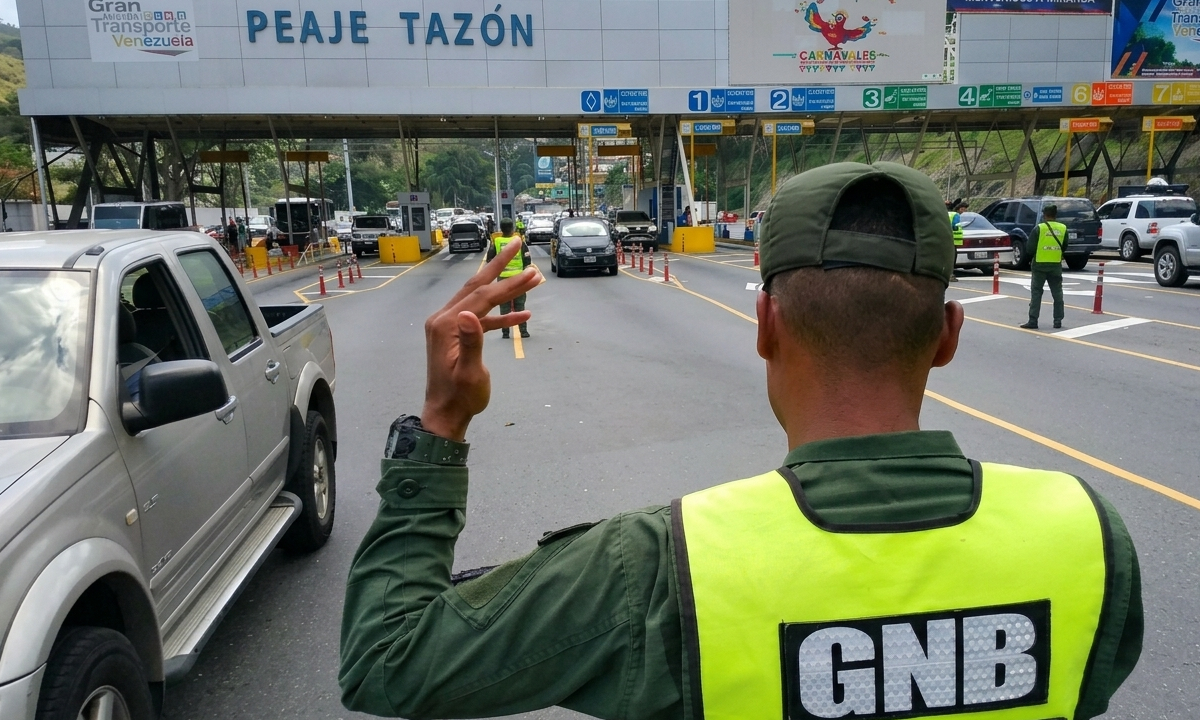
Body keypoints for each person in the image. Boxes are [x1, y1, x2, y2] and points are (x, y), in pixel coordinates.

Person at [340, 162, 1141, 720]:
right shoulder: (1086, 538)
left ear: (765, 325)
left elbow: (387, 662)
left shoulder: (659, 565)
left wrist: (441, 424)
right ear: (948, 336)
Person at [1022, 203, 1067, 330]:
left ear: (1044, 215)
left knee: (1036, 293)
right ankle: (1057, 320)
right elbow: (1065, 246)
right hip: (1055, 265)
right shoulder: (1063, 228)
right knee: (1057, 293)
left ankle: (1033, 320)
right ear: (1055, 215)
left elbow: (1030, 248)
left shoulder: (1039, 228)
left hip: (1039, 265)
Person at [485, 217, 531, 339]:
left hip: (503, 279)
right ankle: (523, 332)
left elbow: (489, 260)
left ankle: (505, 333)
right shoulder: (519, 241)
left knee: (504, 306)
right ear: (512, 228)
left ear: (501, 229)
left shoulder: (496, 242)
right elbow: (527, 259)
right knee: (520, 305)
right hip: (519, 278)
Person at [947, 201, 965, 282]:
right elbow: (955, 225)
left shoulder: (946, 214)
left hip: (947, 238)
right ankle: (950, 275)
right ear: (958, 208)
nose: (964, 211)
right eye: (963, 209)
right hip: (953, 240)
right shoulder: (956, 215)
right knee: (952, 258)